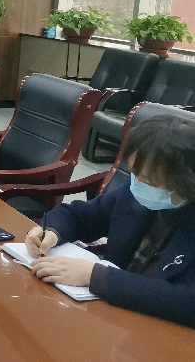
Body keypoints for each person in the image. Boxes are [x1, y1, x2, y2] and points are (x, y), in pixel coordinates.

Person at [25, 115, 195, 328]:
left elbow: (187, 301)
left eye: (151, 181)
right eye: (135, 174)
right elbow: (80, 215)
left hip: (160, 328)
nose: (138, 185)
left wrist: (96, 276)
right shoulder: (136, 192)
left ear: (187, 181)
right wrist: (51, 231)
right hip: (111, 313)